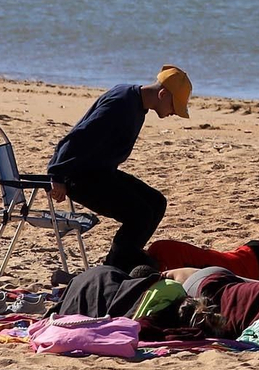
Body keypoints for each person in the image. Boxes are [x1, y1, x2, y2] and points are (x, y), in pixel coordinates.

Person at [48, 65, 192, 270]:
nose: (173, 113)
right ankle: (115, 266)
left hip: (101, 173)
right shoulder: (121, 104)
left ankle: (126, 256)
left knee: (156, 202)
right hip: (80, 177)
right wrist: (57, 174)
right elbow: (78, 137)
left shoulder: (134, 101)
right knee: (139, 214)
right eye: (174, 107)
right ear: (162, 94)